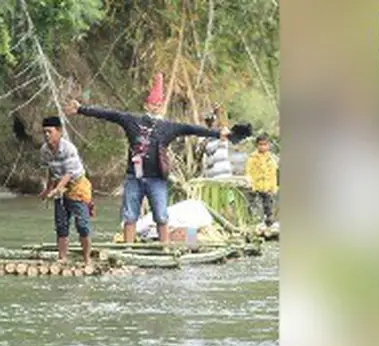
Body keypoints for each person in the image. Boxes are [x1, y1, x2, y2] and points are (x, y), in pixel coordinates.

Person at [63, 72, 252, 244]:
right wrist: (81, 109)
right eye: (153, 103)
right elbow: (108, 114)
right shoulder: (132, 120)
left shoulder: (168, 127)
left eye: (159, 103)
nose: (155, 106)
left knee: (161, 216)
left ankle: (165, 248)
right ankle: (129, 248)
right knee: (130, 216)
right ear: (147, 104)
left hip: (157, 180)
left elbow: (193, 129)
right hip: (133, 178)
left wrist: (221, 134)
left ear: (162, 106)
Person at [39, 116, 93, 264]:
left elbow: (69, 174)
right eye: (44, 132)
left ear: (59, 132)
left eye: (50, 131)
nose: (47, 135)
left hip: (77, 187)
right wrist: (48, 188)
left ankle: (87, 258)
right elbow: (50, 170)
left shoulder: (68, 149)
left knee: (82, 224)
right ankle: (62, 257)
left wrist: (56, 189)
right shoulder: (45, 150)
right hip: (59, 187)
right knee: (61, 225)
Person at [245, 133, 279, 227]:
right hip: (255, 187)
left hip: (268, 188)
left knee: (268, 208)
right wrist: (250, 184)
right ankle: (253, 224)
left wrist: (274, 188)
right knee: (254, 208)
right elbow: (248, 171)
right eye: (261, 144)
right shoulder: (252, 158)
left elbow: (273, 174)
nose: (263, 147)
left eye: (265, 144)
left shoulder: (271, 158)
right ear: (257, 145)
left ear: (268, 145)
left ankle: (269, 225)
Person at [200, 104, 233, 179]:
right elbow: (206, 149)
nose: (211, 123)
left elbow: (224, 125)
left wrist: (217, 113)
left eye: (212, 120)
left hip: (224, 174)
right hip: (211, 175)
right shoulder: (203, 137)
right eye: (208, 121)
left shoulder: (223, 131)